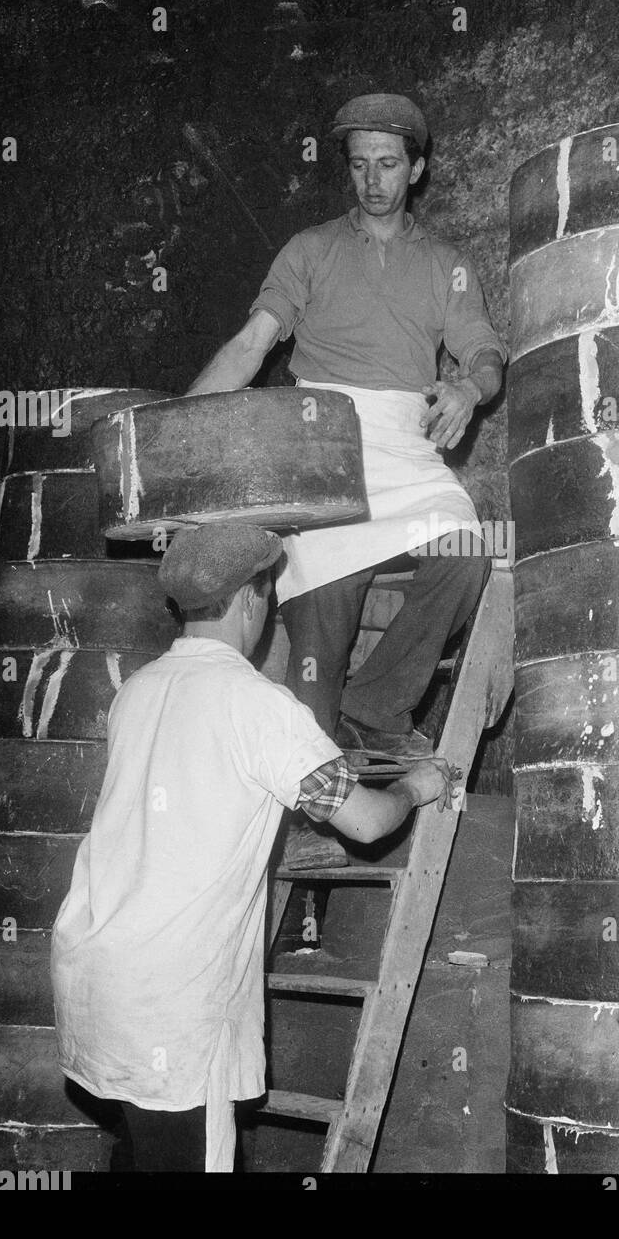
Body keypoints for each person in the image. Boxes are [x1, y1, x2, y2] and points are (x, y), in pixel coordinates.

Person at [50, 520, 452, 1172]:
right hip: (171, 1010)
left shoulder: (138, 691)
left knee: (145, 1151)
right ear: (249, 600)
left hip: (95, 977)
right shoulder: (260, 706)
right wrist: (416, 783)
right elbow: (369, 821)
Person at [187, 92, 507, 761]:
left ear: (415, 169)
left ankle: (378, 703)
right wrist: (181, 437)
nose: (373, 181)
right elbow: (251, 346)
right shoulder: (309, 250)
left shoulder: (447, 264)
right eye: (360, 164)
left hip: (405, 447)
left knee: (466, 550)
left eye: (388, 164)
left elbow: (485, 358)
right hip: (320, 445)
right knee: (321, 621)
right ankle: (313, 762)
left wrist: (467, 389)